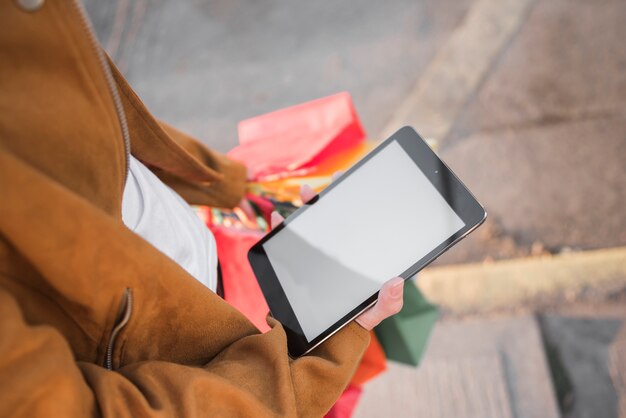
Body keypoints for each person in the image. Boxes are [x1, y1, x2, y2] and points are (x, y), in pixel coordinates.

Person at [0, 1, 404, 416]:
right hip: (197, 365)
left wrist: (227, 183)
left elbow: (93, 114)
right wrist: (311, 361)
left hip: (209, 290)